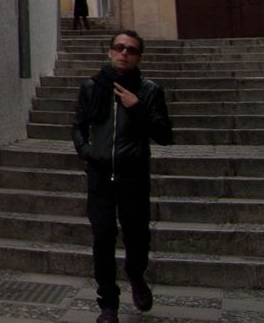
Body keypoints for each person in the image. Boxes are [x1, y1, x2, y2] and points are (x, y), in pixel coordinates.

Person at [71, 29, 173, 322]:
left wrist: (137, 107)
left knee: (137, 236)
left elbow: (165, 135)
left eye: (131, 50)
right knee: (103, 236)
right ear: (109, 52)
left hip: (133, 175)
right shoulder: (92, 87)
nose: (124, 53)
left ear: (139, 57)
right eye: (119, 47)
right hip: (100, 174)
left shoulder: (149, 90)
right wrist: (86, 151)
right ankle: (108, 305)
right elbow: (78, 125)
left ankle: (136, 273)